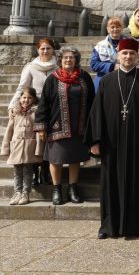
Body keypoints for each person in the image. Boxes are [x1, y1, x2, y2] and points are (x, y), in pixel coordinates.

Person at [86, 38, 139, 239]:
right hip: (112, 144)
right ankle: (109, 225)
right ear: (118, 56)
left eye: (131, 53)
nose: (128, 57)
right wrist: (95, 140)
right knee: (111, 183)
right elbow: (97, 113)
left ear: (137, 56)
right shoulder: (107, 81)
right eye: (124, 54)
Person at [35, 46, 95, 206]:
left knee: (75, 159)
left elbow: (92, 101)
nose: (68, 60)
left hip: (79, 126)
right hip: (57, 125)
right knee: (56, 159)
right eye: (65, 58)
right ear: (60, 60)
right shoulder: (52, 79)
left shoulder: (85, 77)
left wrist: (93, 125)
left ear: (76, 60)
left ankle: (72, 189)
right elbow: (43, 104)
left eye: (72, 58)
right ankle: (57, 189)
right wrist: (41, 126)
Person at [8, 37, 57, 188]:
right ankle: (35, 172)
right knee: (34, 141)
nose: (45, 51)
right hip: (35, 109)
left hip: (54, 108)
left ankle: (46, 172)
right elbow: (22, 87)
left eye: (48, 48)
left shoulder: (58, 66)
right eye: (42, 48)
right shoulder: (30, 67)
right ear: (38, 50)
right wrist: (12, 105)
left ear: (52, 49)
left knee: (50, 140)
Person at [1, 86, 43, 206]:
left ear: (34, 99)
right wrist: (5, 148)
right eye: (24, 97)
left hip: (29, 147)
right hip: (16, 146)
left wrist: (38, 149)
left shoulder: (36, 113)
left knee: (28, 171)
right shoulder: (15, 113)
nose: (26, 100)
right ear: (20, 99)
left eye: (29, 98)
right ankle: (17, 192)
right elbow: (9, 131)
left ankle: (25, 193)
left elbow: (38, 133)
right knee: (17, 171)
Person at [90, 16, 127, 92]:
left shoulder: (128, 44)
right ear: (107, 29)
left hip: (124, 79)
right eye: (112, 27)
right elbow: (93, 64)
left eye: (118, 27)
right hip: (103, 80)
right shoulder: (100, 46)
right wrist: (112, 66)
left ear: (122, 28)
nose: (115, 29)